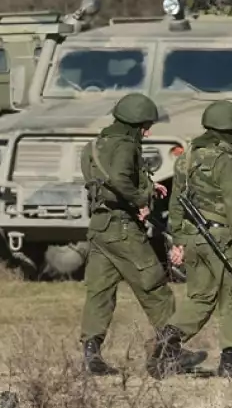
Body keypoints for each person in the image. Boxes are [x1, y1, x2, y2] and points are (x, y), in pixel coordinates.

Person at [78, 92, 205, 376]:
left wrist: (141, 192)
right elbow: (121, 180)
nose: (148, 132)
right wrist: (141, 198)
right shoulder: (125, 146)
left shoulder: (95, 145)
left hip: (100, 227)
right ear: (134, 124)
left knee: (99, 292)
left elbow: (100, 184)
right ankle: (169, 353)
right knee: (156, 287)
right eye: (145, 126)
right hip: (123, 229)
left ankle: (91, 355)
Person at [153, 101, 232, 378]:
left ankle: (167, 343)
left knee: (200, 297)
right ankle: (230, 362)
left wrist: (178, 241)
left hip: (194, 238)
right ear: (231, 131)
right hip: (223, 237)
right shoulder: (228, 160)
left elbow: (176, 203)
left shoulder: (187, 156)